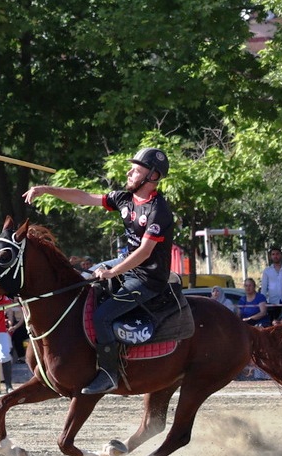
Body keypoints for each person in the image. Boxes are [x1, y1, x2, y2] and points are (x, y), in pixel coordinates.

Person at [21, 148, 174, 393]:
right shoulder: (125, 199)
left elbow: (144, 252)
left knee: (103, 315)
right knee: (82, 281)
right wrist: (46, 189)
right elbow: (84, 197)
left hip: (147, 279)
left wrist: (113, 272)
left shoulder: (158, 211)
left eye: (136, 170)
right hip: (127, 267)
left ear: (152, 177)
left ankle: (108, 373)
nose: (129, 172)